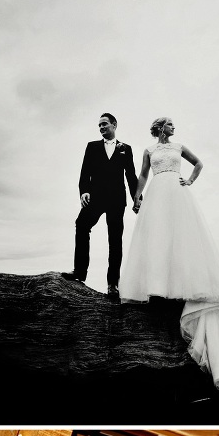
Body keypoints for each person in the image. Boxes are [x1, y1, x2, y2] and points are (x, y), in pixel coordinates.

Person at [120, 117, 219, 391]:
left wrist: (189, 180)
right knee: (157, 238)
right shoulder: (149, 151)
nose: (175, 128)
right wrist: (137, 197)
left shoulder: (179, 147)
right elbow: (142, 175)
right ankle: (158, 286)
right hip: (156, 195)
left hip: (177, 194)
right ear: (161, 128)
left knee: (181, 236)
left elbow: (198, 163)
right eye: (171, 125)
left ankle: (182, 282)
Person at [72, 113, 138, 298]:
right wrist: (84, 191)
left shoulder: (126, 148)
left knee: (115, 240)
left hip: (117, 199)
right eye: (99, 126)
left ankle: (112, 285)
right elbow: (84, 171)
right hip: (95, 198)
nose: (101, 128)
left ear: (114, 125)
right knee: (82, 225)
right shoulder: (92, 147)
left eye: (104, 124)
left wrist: (137, 198)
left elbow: (131, 176)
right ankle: (79, 271)